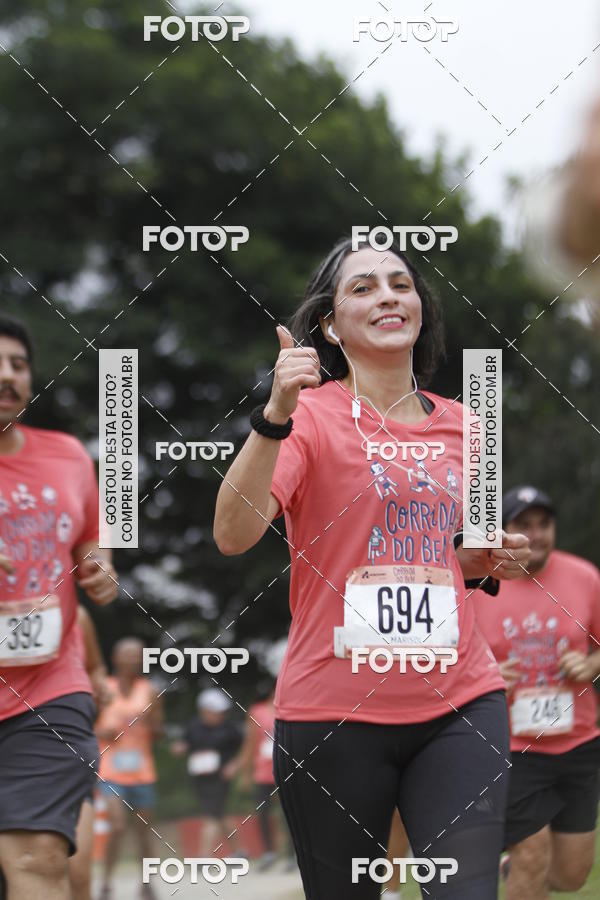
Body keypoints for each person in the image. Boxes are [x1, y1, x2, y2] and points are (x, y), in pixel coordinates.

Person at [213, 236, 531, 899]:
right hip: (333, 714)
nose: (387, 294)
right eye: (362, 288)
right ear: (328, 325)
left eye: (399, 283)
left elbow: (457, 561)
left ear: (419, 307)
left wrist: (481, 560)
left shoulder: (470, 426)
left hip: (460, 704)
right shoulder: (306, 418)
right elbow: (233, 534)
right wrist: (274, 416)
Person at [0, 315, 118, 900]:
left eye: (18, 365)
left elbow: (90, 536)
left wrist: (100, 566)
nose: (7, 376)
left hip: (49, 687)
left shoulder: (70, 454)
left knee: (40, 860)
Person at [472, 485, 600, 900]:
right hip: (511, 748)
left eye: (544, 524)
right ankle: (520, 865)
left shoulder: (585, 577)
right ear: (504, 532)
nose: (538, 534)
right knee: (532, 852)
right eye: (524, 526)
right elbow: (445, 662)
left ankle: (514, 870)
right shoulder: (479, 584)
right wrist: (488, 674)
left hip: (579, 744)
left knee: (572, 876)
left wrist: (591, 664)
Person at [95, 638, 163, 900]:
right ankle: (106, 883)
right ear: (116, 659)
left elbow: (160, 731)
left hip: (142, 772)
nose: (134, 660)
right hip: (111, 769)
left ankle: (146, 884)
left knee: (143, 833)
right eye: (128, 656)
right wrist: (104, 731)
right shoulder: (104, 690)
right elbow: (90, 728)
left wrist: (148, 724)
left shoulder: (151, 692)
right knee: (118, 826)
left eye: (138, 656)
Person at [224, 680, 293, 870]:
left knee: (288, 814)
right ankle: (269, 853)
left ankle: (291, 855)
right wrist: (245, 772)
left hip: (285, 768)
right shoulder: (257, 711)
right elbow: (250, 742)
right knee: (263, 813)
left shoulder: (291, 708)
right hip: (262, 770)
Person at [69, 606, 112, 900]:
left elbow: (96, 667)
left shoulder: (76, 615)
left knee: (78, 871)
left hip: (64, 750)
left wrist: (98, 688)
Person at [171, 689, 245, 858]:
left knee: (211, 815)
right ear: (204, 710)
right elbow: (185, 742)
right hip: (200, 778)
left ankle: (204, 857)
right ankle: (240, 851)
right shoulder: (193, 726)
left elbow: (244, 750)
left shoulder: (230, 729)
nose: (220, 715)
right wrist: (180, 747)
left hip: (220, 777)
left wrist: (235, 765)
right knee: (220, 814)